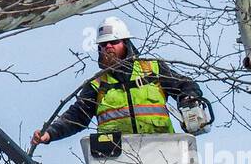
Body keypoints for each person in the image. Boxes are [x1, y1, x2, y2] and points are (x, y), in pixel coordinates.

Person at [31, 17, 207, 147]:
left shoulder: (152, 69)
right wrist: (50, 133)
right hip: (117, 159)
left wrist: (188, 98)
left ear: (125, 43)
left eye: (113, 42)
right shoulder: (97, 84)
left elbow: (185, 85)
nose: (108, 47)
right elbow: (75, 117)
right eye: (103, 44)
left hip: (160, 151)